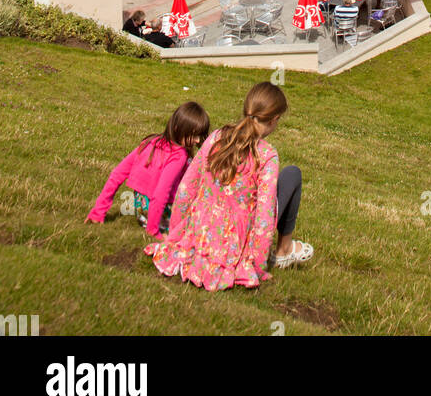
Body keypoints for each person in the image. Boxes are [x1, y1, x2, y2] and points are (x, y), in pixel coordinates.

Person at [144, 81, 312, 288]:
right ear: (274, 120)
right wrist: (257, 265)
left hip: (200, 230)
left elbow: (186, 188)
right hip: (233, 242)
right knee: (292, 174)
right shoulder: (267, 155)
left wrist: (178, 234)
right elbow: (264, 217)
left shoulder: (216, 137)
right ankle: (283, 251)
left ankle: (284, 250)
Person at [85, 101, 210, 238]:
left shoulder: (150, 142)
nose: (198, 140)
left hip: (141, 212)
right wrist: (153, 230)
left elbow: (117, 174)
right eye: (194, 135)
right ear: (177, 128)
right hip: (160, 216)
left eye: (200, 135)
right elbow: (161, 192)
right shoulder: (178, 156)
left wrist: (98, 211)